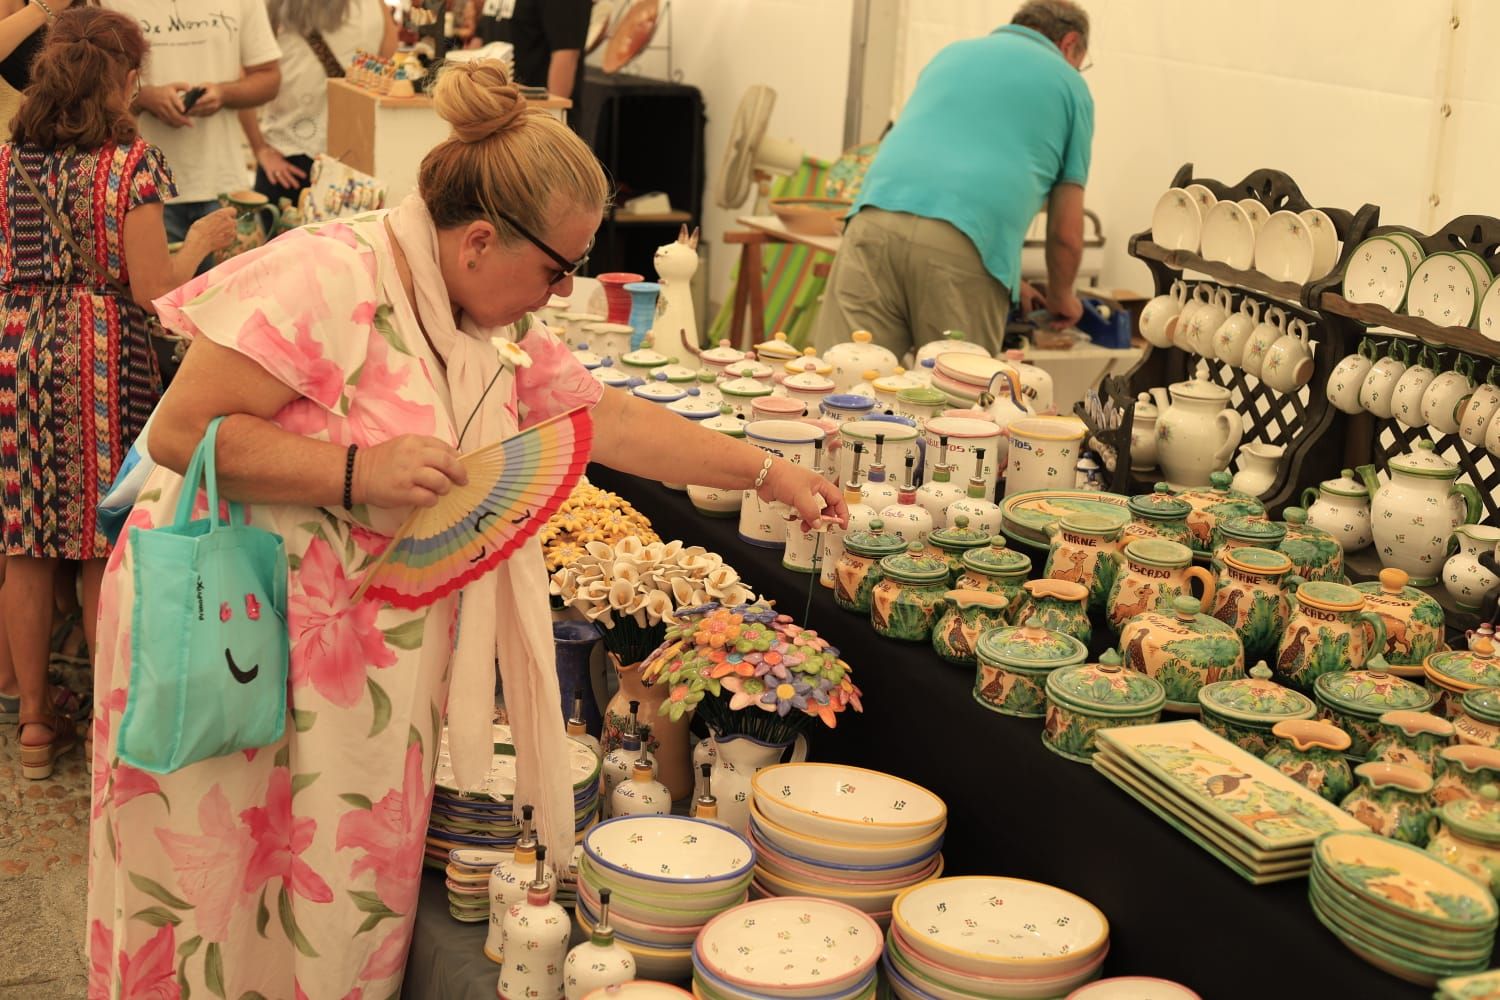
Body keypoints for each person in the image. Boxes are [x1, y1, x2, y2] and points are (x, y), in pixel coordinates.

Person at [87, 59, 844, 997]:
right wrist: (358, 470)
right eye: (558, 269)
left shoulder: (483, 324)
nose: (564, 293)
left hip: (356, 678)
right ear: (481, 240)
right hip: (231, 637)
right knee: (214, 901)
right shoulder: (328, 273)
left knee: (329, 909)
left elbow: (603, 419)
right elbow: (180, 431)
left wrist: (768, 470)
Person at [0, 8, 235, 780]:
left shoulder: (9, 159)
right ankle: (109, 726)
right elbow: (152, 291)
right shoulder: (131, 164)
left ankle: (35, 722)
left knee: (26, 546)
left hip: (16, 347)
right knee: (105, 538)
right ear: (124, 79)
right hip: (100, 352)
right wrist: (200, 243)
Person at [812, 0, 1094, 357]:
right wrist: (1062, 296)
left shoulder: (952, 54)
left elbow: (935, 191)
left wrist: (1008, 277)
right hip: (965, 248)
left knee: (846, 382)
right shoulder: (1070, 84)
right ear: (1070, 44)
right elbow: (1066, 233)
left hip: (873, 223)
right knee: (955, 398)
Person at [104, 0, 282, 245]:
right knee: (160, 285)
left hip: (223, 186)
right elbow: (89, 89)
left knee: (233, 284)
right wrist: (144, 97)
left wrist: (223, 93)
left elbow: (269, 77)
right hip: (142, 193)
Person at [241, 0, 398, 206]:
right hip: (340, 160)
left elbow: (245, 78)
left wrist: (260, 149)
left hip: (299, 156)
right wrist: (260, 150)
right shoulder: (375, 6)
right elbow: (388, 61)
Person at [484, 0, 590, 128]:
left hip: (533, 121)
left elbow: (566, 53)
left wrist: (549, 122)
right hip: (494, 111)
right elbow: (482, 36)